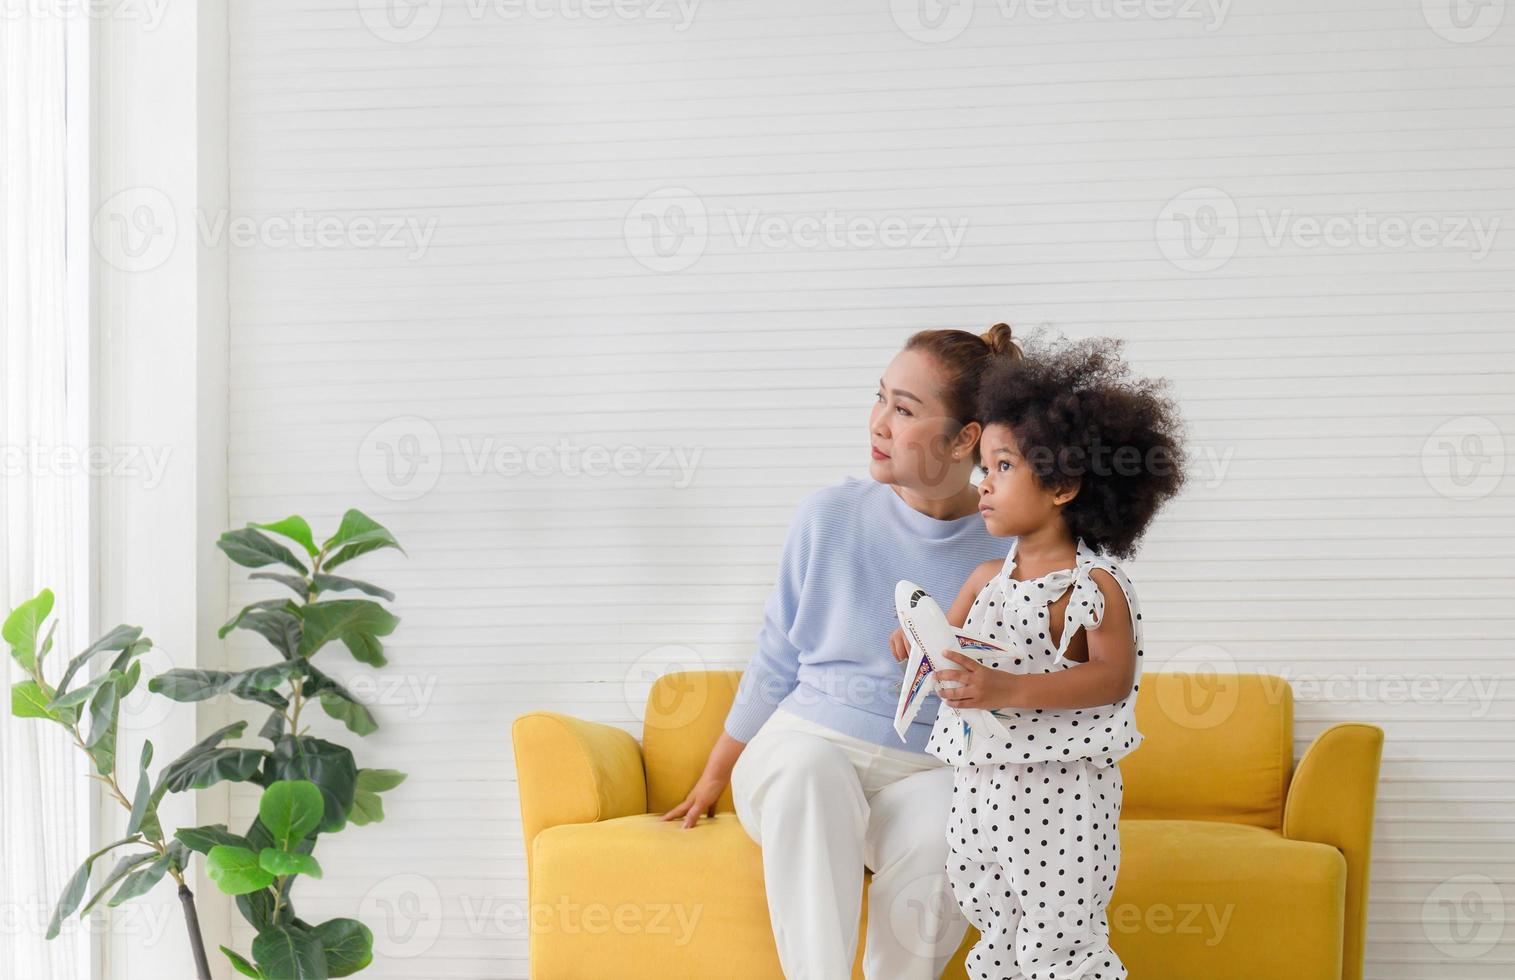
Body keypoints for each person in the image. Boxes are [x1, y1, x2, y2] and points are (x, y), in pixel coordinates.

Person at [660, 324, 1022, 980]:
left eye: (904, 409)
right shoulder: (828, 514)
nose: (878, 422)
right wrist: (714, 775)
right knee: (810, 769)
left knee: (959, 819)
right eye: (879, 397)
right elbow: (776, 655)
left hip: (924, 771)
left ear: (966, 437)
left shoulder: (1012, 552)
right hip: (802, 752)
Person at [916, 336, 1186, 979]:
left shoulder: (1093, 589)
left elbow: (1112, 678)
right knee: (992, 916)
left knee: (1060, 931)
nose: (982, 484)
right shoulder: (984, 580)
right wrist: (917, 641)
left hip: (1063, 789)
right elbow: (947, 657)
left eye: (1003, 467)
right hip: (981, 785)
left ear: (1062, 484)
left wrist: (1005, 688)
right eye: (983, 468)